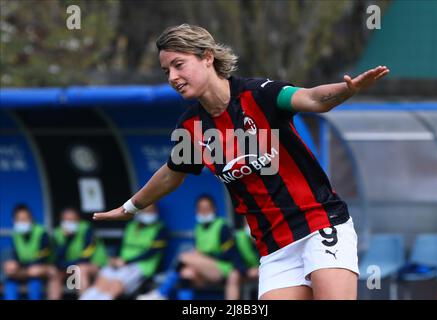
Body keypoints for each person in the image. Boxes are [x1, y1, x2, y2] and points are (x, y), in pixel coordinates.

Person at [93, 24, 389, 300]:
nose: (172, 77)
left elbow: (313, 99)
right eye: (166, 70)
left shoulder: (259, 94)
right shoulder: (192, 127)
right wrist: (129, 208)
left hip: (319, 224)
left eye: (178, 65)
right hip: (274, 247)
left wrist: (345, 90)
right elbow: (172, 174)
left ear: (207, 57)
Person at [137, 194, 247, 300]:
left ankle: (161, 292)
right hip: (205, 270)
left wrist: (204, 256)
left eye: (207, 208)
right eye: (201, 209)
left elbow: (230, 254)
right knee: (186, 273)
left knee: (184, 257)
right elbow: (198, 250)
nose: (204, 212)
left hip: (223, 269)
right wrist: (199, 257)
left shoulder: (222, 226)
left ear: (214, 209)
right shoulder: (198, 227)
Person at [80, 203, 167, 300]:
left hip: (141, 266)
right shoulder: (131, 226)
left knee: (115, 284)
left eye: (151, 211)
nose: (148, 214)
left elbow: (152, 252)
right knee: (102, 281)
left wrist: (126, 261)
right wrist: (114, 258)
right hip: (121, 263)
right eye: (145, 211)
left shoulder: (160, 229)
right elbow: (121, 245)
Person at [47, 207, 108, 299]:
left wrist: (66, 264)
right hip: (70, 266)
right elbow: (56, 259)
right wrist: (66, 240)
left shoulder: (87, 229)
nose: (69, 223)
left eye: (72, 220)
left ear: (78, 220)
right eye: (66, 220)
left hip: (94, 265)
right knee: (54, 272)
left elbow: (86, 257)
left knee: (80, 269)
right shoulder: (58, 233)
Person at [2, 204, 52, 300]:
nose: (22, 222)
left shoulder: (41, 232)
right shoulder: (16, 235)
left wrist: (23, 267)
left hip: (39, 273)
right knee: (9, 286)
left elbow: (43, 257)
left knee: (35, 286)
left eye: (25, 219)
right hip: (24, 271)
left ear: (31, 219)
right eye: (19, 219)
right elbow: (15, 256)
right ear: (14, 220)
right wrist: (13, 264)